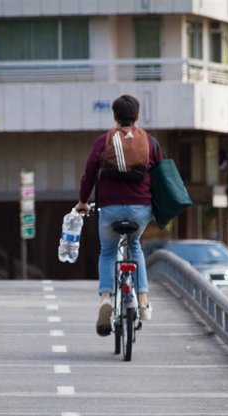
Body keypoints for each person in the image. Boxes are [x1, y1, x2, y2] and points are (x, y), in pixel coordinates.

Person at [75, 94, 163, 336]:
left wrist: (83, 201)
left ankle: (105, 296)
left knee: (108, 252)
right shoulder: (151, 142)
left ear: (114, 116)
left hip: (110, 208)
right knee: (135, 248)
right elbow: (161, 176)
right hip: (141, 209)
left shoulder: (103, 141)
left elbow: (89, 174)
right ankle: (143, 300)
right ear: (137, 116)